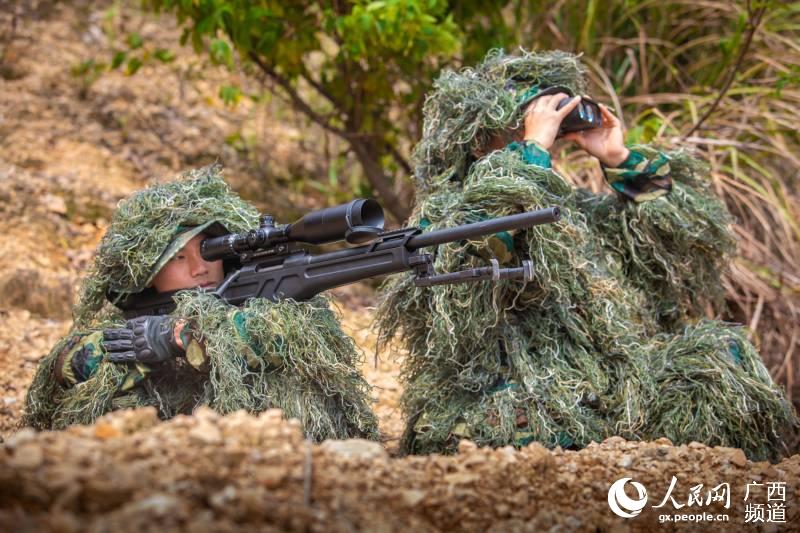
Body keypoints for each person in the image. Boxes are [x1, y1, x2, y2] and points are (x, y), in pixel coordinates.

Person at [377, 49, 797, 460]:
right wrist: (531, 152)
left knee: (721, 359)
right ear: (476, 141)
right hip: (521, 391)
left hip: (613, 387)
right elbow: (480, 244)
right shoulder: (448, 214)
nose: (537, 133)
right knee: (519, 425)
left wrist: (618, 158)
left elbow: (683, 242)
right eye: (518, 124)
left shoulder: (568, 210)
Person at [23, 165, 379, 441]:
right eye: (178, 258)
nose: (199, 269)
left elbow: (271, 339)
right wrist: (155, 338)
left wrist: (181, 336)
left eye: (210, 251)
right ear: (147, 273)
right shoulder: (132, 318)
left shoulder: (274, 304)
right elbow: (66, 364)